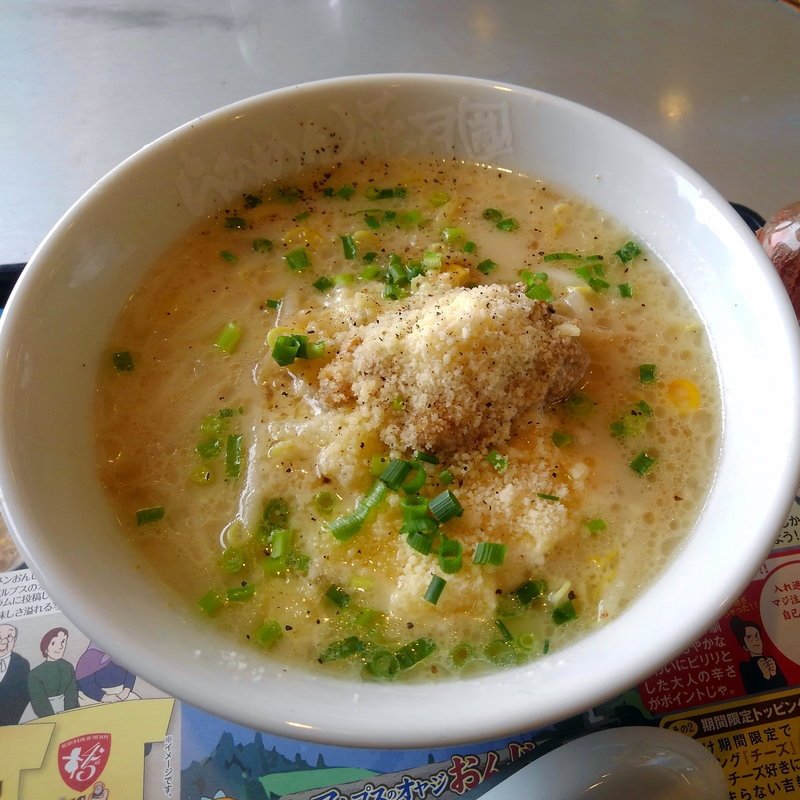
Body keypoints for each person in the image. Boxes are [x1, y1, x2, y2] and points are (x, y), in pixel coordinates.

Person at [27, 627, 79, 717]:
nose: (60, 647)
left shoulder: (68, 666)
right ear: (46, 647)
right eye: (53, 643)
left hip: (70, 711)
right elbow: (39, 703)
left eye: (63, 641)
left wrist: (70, 714)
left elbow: (72, 693)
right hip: (46, 714)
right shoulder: (35, 674)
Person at [729, 616, 788, 695]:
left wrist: (774, 674)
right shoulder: (745, 667)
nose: (755, 640)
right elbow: (751, 692)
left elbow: (785, 686)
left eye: (757, 636)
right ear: (744, 646)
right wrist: (765, 676)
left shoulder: (771, 660)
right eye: (749, 637)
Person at [0, 623, 30, 725]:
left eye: (9, 637)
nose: (3, 642)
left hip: (10, 722)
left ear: (15, 640)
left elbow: (24, 696)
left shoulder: (22, 664)